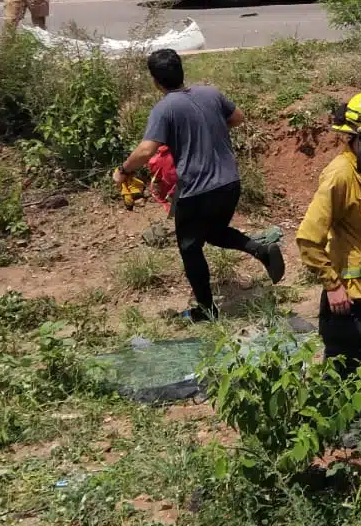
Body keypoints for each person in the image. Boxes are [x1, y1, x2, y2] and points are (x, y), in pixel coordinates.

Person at [114, 49, 285, 322]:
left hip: (197, 190)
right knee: (213, 232)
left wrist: (123, 171)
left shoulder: (164, 108)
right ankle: (260, 250)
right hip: (230, 183)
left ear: (155, 82)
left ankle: (206, 310)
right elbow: (238, 117)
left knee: (190, 247)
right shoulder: (211, 94)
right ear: (181, 71)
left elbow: (147, 150)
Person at [297, 92, 361, 375]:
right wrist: (333, 286)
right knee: (348, 380)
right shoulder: (340, 175)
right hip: (351, 302)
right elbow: (308, 237)